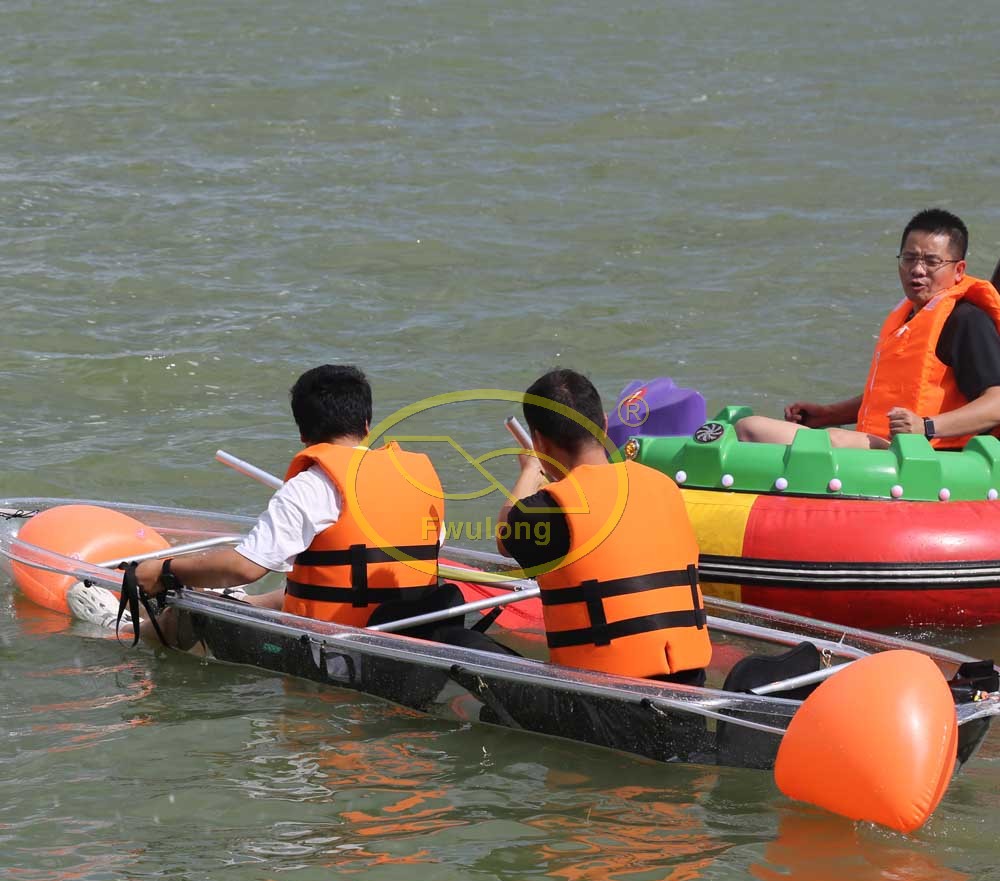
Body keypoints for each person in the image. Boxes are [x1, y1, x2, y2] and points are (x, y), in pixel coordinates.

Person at [75, 364, 448, 643]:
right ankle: (242, 603)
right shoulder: (419, 478)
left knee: (182, 619)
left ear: (302, 432)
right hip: (406, 627)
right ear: (367, 424)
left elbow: (244, 567)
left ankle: (119, 631)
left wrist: (164, 570)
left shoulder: (310, 487)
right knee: (294, 590)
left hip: (333, 644)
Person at [496, 368, 712, 683]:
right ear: (605, 425)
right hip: (692, 682)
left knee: (458, 642)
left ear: (539, 442)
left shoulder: (548, 509)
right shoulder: (664, 486)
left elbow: (505, 539)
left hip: (608, 701)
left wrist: (530, 470)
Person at [735, 208, 1000, 449]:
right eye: (909, 258)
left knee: (749, 429)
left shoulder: (967, 320)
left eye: (932, 261)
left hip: (928, 458)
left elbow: (996, 403)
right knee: (756, 429)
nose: (917, 270)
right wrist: (830, 414)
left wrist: (927, 427)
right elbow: (895, 394)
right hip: (891, 448)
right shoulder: (910, 316)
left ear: (958, 270)